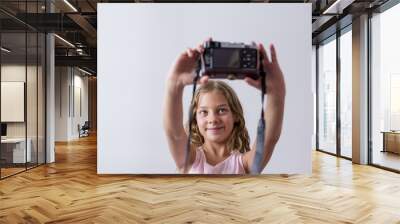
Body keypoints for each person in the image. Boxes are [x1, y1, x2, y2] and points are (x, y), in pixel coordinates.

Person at [163, 39, 286, 174]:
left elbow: (268, 139)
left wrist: (276, 93)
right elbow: (174, 134)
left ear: (235, 116)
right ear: (195, 119)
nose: (213, 119)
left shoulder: (245, 164)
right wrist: (174, 84)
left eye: (221, 110)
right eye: (204, 112)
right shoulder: (190, 160)